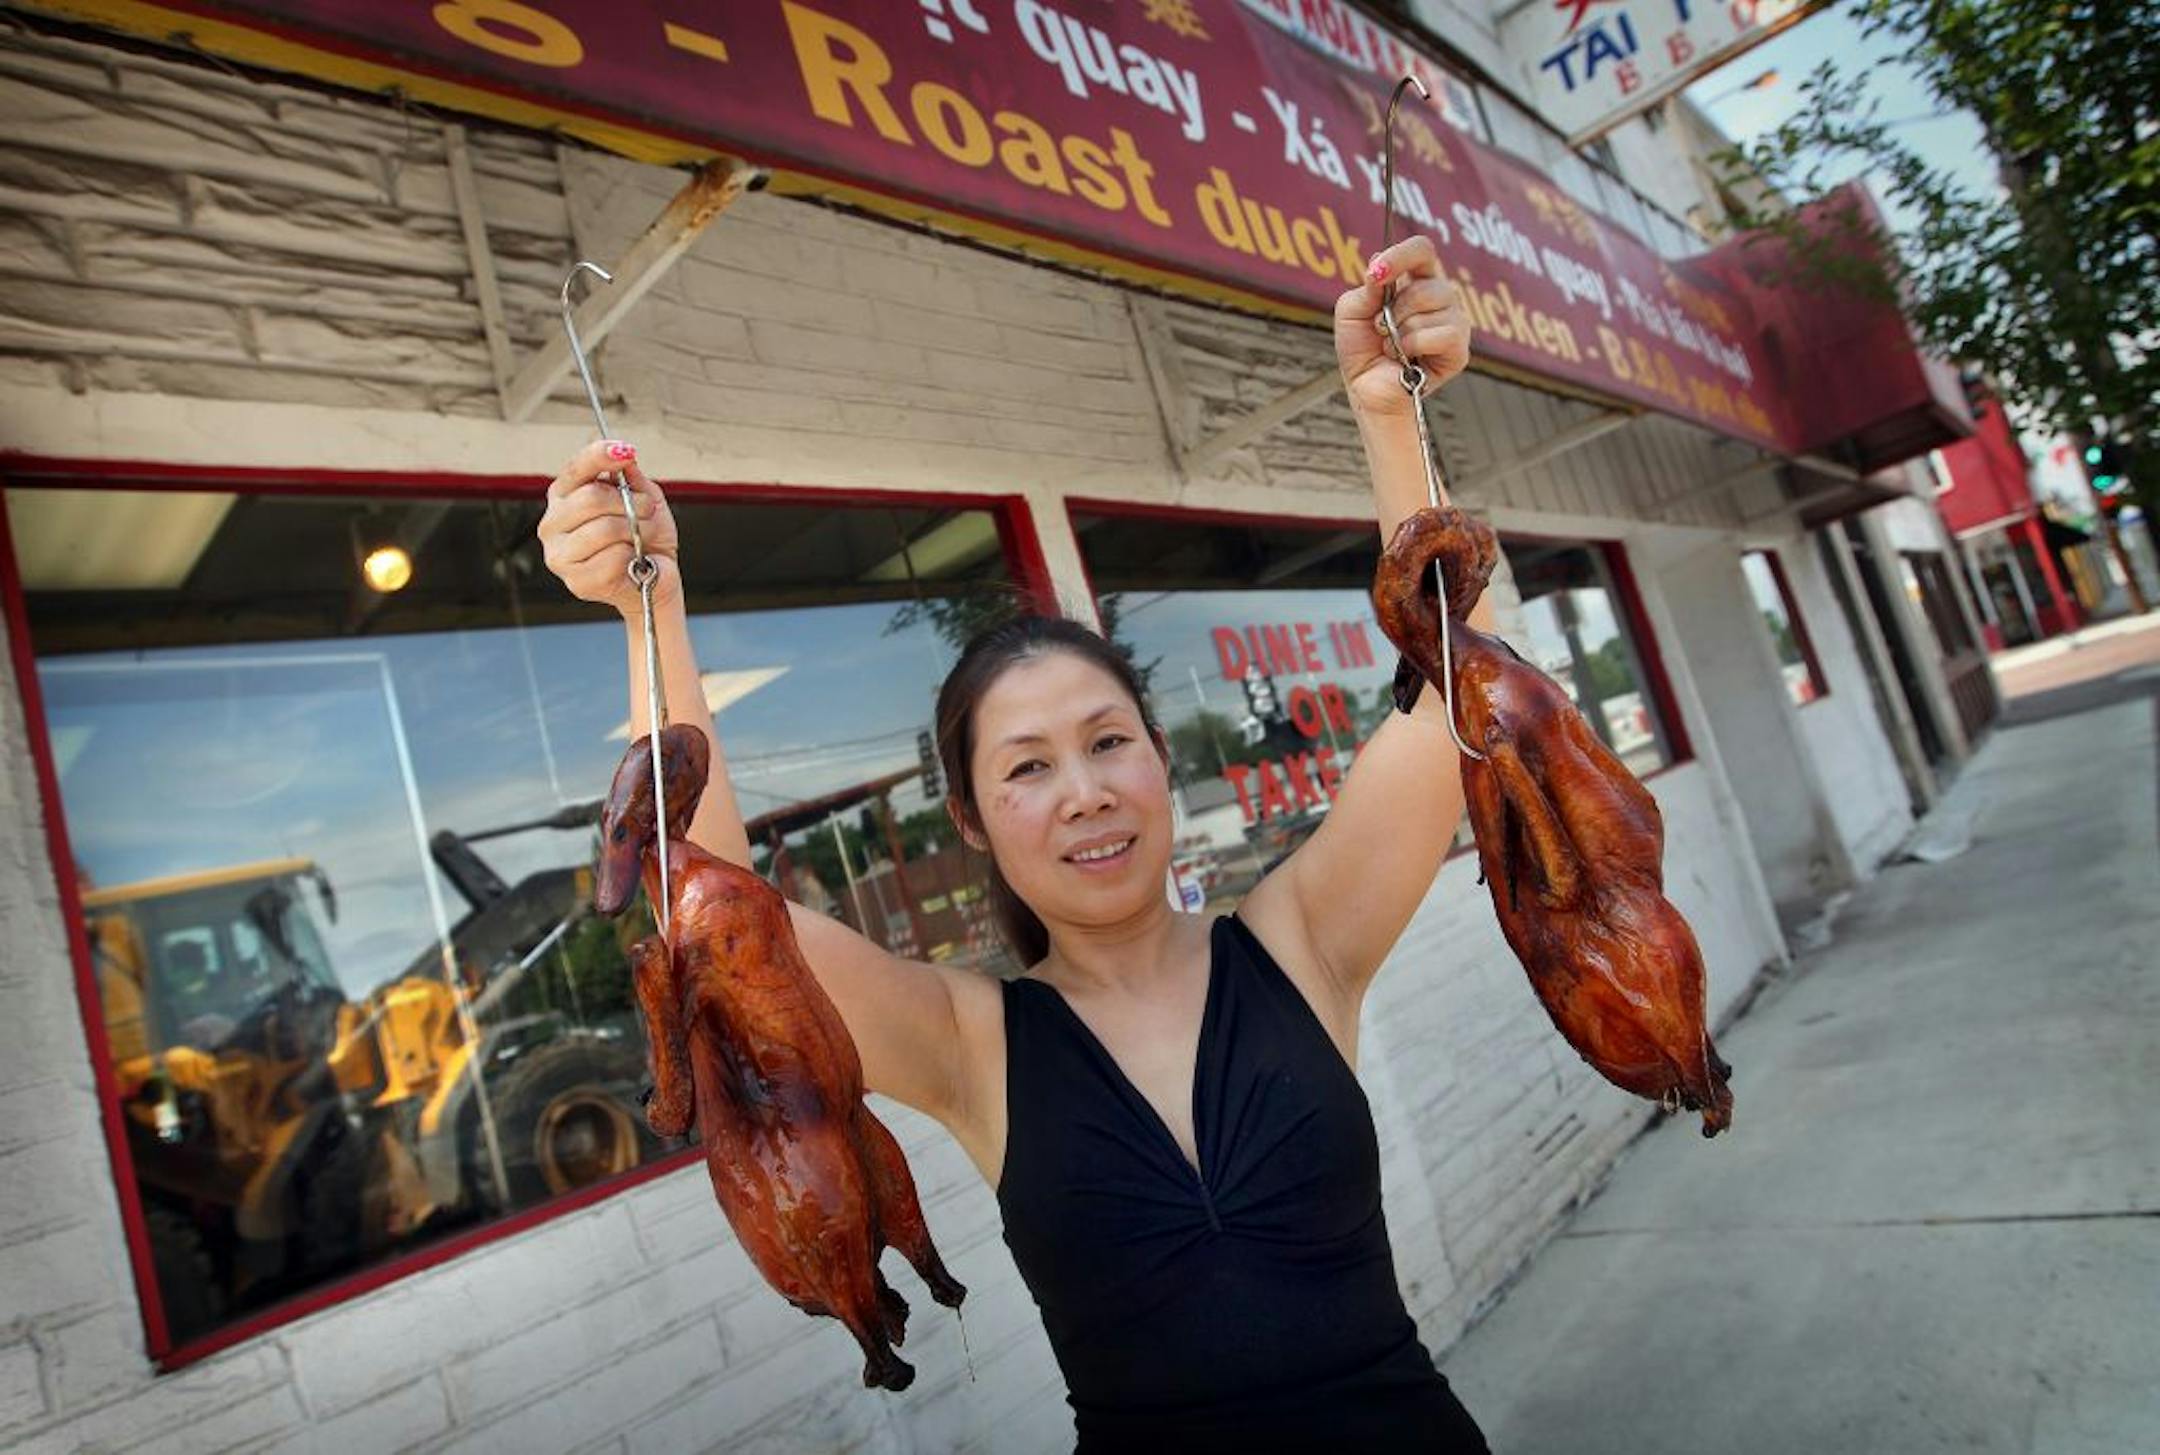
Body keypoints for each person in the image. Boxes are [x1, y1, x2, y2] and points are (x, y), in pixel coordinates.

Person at [537, 235, 1495, 1452]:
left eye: (1108, 743)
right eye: (1029, 769)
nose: (1085, 793)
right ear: (976, 822)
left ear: (1160, 759)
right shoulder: (970, 1043)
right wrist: (651, 601)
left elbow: (1464, 695)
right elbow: (723, 913)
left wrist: (1391, 417)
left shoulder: (1307, 942)